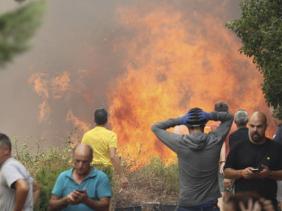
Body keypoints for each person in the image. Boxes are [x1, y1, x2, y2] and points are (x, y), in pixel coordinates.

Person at [151, 103, 233, 210]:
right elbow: (229, 118)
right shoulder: (215, 141)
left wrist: (179, 120)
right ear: (204, 125)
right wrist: (209, 116)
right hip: (209, 206)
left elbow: (155, 127)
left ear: (187, 125)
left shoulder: (180, 143)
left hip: (187, 205)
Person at [224, 111, 282, 210]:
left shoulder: (276, 148)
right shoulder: (238, 147)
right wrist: (241, 173)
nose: (255, 130)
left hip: (267, 205)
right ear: (248, 126)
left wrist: (269, 173)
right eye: (252, 126)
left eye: (259, 126)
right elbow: (226, 172)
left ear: (265, 126)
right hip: (243, 206)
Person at [48, 144, 112, 211]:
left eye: (84, 162)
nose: (80, 166)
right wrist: (66, 200)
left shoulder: (100, 177)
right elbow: (51, 206)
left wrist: (86, 200)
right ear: (73, 158)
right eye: (77, 161)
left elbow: (105, 207)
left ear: (91, 160)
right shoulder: (63, 177)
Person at [81, 108, 128, 187]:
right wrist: (122, 176)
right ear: (107, 120)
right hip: (105, 171)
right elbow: (112, 156)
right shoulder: (111, 135)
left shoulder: (87, 135)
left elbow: (82, 154)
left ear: (94, 120)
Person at [0, 133, 34, 211]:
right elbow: (36, 188)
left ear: (6, 150)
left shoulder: (8, 167)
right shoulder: (16, 165)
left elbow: (23, 187)